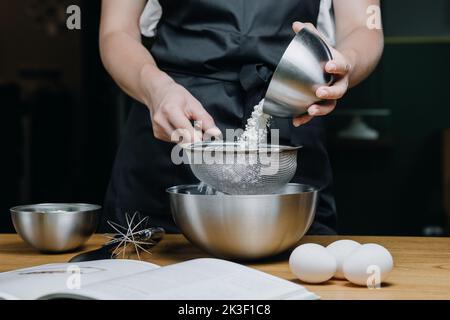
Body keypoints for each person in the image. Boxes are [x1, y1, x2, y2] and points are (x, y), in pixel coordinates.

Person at [99, 0, 384, 234]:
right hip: (174, 123)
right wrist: (156, 90)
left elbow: (365, 25)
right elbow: (116, 31)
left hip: (287, 119)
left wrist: (346, 62)